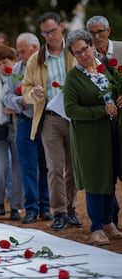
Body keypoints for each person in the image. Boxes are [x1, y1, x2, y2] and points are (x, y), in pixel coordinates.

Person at [22, 12, 82, 231]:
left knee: (73, 167)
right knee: (54, 167)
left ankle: (71, 209)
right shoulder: (35, 59)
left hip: (74, 117)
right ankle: (59, 212)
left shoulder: (75, 52)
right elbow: (25, 89)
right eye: (45, 32)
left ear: (61, 27)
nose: (50, 36)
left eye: (53, 31)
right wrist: (34, 93)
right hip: (49, 118)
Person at [64, 29, 122, 246]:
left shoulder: (104, 67)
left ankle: (108, 222)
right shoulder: (73, 78)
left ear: (91, 46)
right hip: (89, 138)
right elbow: (71, 109)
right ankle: (96, 226)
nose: (83, 55)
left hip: (111, 132)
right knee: (95, 179)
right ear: (73, 55)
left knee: (109, 178)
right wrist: (101, 111)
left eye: (85, 49)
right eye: (77, 53)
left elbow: (115, 89)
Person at [4, 32, 52, 224]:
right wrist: (22, 100)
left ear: (34, 48)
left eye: (22, 50)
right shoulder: (16, 69)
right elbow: (6, 96)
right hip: (25, 120)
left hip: (46, 119)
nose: (19, 54)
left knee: (47, 164)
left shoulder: (47, 64)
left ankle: (46, 207)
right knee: (27, 166)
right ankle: (31, 207)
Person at [86, 15, 122, 226]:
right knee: (106, 174)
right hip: (100, 124)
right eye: (93, 33)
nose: (97, 36)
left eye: (101, 31)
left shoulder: (121, 49)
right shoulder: (84, 56)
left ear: (108, 31)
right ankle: (111, 220)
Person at [0, 45, 24, 220]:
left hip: (15, 126)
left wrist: (14, 106)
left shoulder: (19, 77)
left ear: (13, 61)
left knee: (17, 168)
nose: (3, 66)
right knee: (1, 166)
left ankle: (16, 206)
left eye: (6, 62)